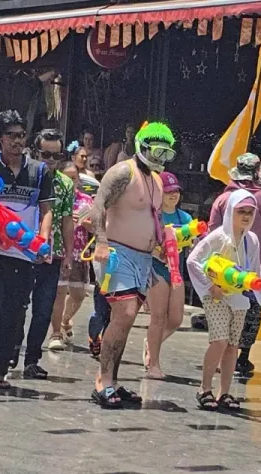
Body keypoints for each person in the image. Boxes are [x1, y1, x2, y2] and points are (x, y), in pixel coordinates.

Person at [89, 122, 175, 408]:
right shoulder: (123, 171)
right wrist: (101, 241)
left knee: (127, 319)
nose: (161, 159)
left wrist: (161, 243)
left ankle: (113, 378)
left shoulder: (157, 180)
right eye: (157, 152)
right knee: (123, 312)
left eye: (167, 154)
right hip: (118, 252)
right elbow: (99, 204)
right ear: (143, 146)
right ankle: (103, 381)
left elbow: (155, 216)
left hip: (144, 258)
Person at [0, 110, 55, 397]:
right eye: (12, 136)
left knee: (16, 313)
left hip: (25, 254)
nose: (18, 141)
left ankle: (3, 370)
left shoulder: (40, 171)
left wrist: (43, 239)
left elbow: (47, 210)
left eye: (22, 135)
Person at [188, 190, 261, 410]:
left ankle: (224, 392)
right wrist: (210, 287)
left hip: (238, 297)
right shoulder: (218, 236)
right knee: (219, 340)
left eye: (250, 212)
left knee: (232, 345)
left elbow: (255, 271)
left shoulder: (251, 240)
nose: (246, 216)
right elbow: (193, 260)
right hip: (216, 297)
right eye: (241, 211)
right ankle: (204, 388)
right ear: (231, 212)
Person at [210, 153, 261, 375]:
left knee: (226, 305)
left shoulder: (223, 198)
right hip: (254, 262)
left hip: (224, 265)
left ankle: (224, 353)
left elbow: (212, 230)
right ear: (257, 175)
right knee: (252, 308)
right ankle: (242, 357)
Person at [11, 129, 69, 380]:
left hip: (51, 254)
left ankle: (32, 359)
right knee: (17, 305)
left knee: (44, 309)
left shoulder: (65, 184)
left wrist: (68, 254)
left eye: (57, 155)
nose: (51, 160)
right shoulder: (27, 175)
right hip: (21, 251)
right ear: (34, 152)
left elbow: (67, 219)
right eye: (46, 154)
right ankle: (11, 350)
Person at [143, 172, 192, 379]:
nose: (173, 195)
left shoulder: (185, 218)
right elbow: (145, 241)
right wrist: (158, 250)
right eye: (169, 191)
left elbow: (191, 243)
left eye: (176, 191)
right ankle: (153, 363)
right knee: (158, 316)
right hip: (156, 267)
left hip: (176, 269)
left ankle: (151, 343)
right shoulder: (154, 215)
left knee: (176, 318)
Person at [47, 162, 93, 351]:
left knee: (78, 294)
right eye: (68, 177)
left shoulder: (86, 201)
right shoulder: (53, 196)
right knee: (59, 292)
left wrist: (85, 222)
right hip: (59, 250)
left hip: (80, 253)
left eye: (75, 177)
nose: (72, 181)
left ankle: (65, 319)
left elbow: (96, 227)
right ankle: (55, 333)